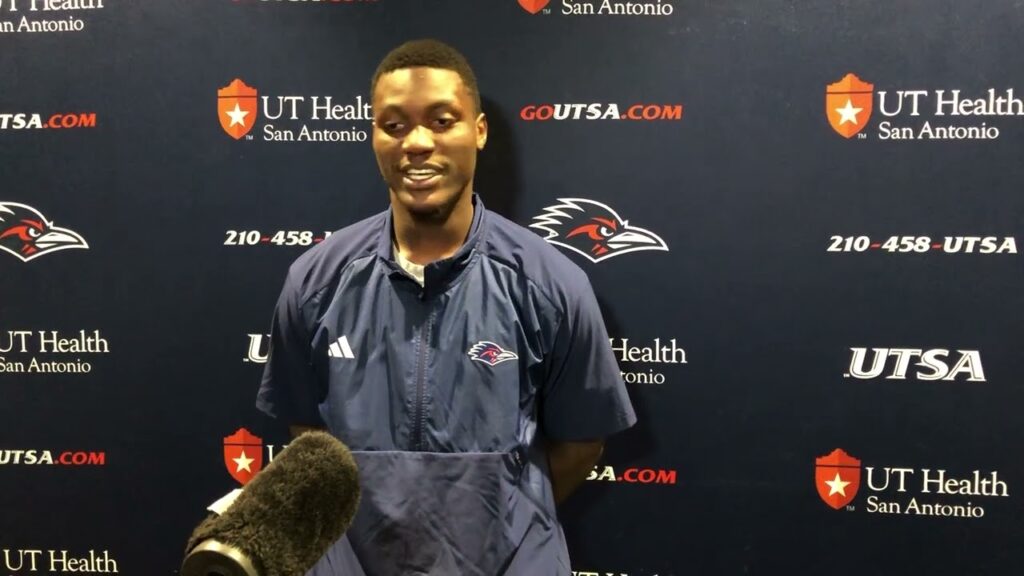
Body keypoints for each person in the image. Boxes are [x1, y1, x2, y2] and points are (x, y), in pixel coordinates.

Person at [256, 38, 636, 576]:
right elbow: (304, 435)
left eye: (441, 121)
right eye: (393, 125)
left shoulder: (552, 284)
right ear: (373, 138)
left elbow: (580, 444)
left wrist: (500, 511)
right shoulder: (315, 281)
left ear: (478, 131)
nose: (416, 143)